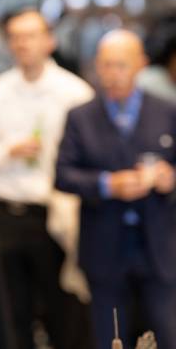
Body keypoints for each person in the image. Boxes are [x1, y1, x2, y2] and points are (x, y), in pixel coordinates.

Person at [0, 8, 94, 349]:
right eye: (15, 37)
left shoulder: (75, 92)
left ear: (49, 41)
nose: (22, 44)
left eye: (31, 35)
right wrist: (8, 151)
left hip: (56, 215)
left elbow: (90, 157)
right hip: (5, 213)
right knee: (12, 314)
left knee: (64, 313)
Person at [56, 29, 176, 348]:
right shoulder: (81, 116)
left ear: (141, 65)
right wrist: (108, 184)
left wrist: (169, 178)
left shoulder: (167, 111)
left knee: (168, 333)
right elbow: (62, 175)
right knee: (110, 337)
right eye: (106, 65)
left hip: (159, 247)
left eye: (121, 65)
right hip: (104, 247)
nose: (113, 74)